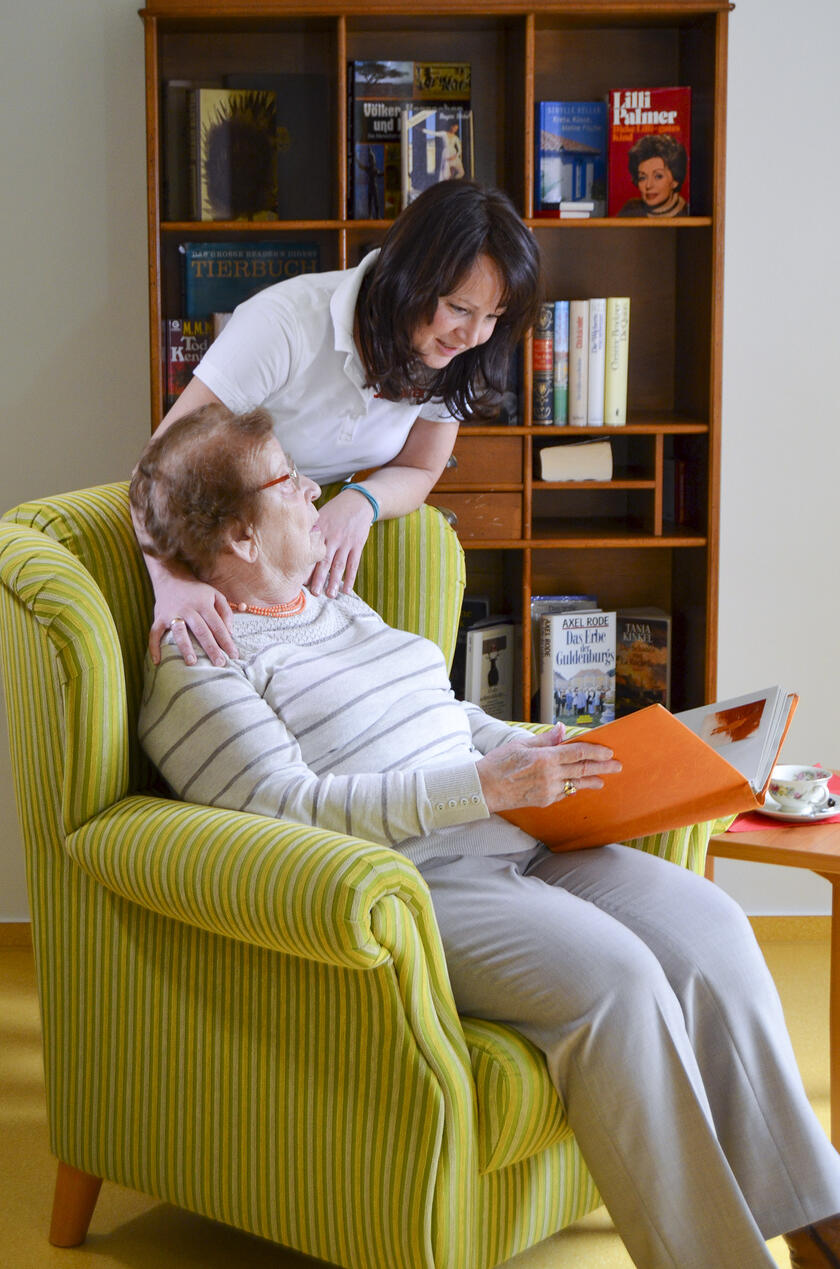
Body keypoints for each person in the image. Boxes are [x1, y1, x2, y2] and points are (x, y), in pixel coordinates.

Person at [132, 403, 840, 1269]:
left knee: (712, 927)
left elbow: (441, 712)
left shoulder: (329, 602)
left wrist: (530, 750)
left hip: (518, 830)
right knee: (617, 981)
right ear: (241, 535)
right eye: (288, 480)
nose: (314, 489)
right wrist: (480, 786)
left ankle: (818, 1219)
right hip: (420, 879)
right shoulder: (199, 662)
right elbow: (288, 809)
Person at [133, 179, 541, 670]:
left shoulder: (455, 351)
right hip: (227, 552)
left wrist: (362, 501)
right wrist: (173, 583)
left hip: (299, 548)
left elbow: (420, 467)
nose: (474, 335)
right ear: (409, 279)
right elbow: (156, 471)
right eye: (459, 309)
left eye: (493, 316)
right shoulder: (284, 324)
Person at [617, 134, 689, 218]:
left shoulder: (688, 213)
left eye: (658, 176)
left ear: (675, 181)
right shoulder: (630, 210)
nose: (648, 185)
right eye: (642, 178)